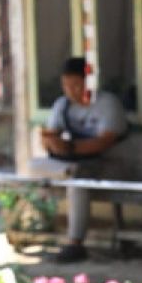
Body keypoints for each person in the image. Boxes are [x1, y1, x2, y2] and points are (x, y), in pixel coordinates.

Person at [36, 56, 128, 263]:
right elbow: (51, 135)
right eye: (66, 85)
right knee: (34, 168)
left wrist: (69, 147)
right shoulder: (62, 105)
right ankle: (35, 226)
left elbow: (105, 142)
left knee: (77, 181)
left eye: (76, 85)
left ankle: (75, 243)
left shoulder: (108, 104)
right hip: (72, 163)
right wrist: (50, 141)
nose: (71, 91)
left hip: (108, 164)